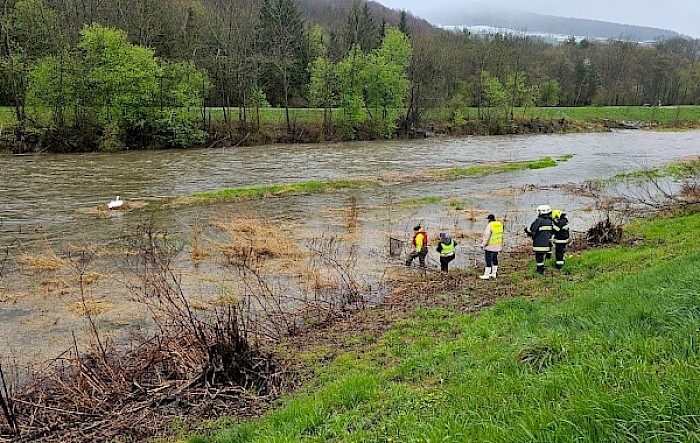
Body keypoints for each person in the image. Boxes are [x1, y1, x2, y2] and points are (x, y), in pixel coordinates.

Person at [524, 205, 554, 275]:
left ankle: (540, 272)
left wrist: (526, 230)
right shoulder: (550, 221)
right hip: (547, 245)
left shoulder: (538, 221)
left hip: (539, 245)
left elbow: (532, 230)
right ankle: (544, 267)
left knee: (539, 259)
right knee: (543, 258)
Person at [479, 214, 503, 279]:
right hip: (498, 245)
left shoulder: (490, 225)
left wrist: (482, 245)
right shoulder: (500, 224)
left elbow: (486, 236)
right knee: (495, 259)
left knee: (488, 260)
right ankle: (493, 274)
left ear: (489, 219)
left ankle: (486, 275)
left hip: (490, 246)